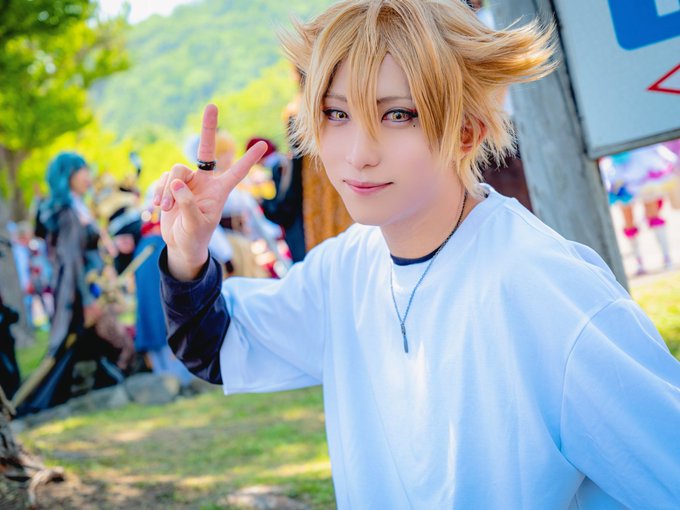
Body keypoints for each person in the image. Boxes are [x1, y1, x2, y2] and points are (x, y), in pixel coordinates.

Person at [154, 1, 680, 508]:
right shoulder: (345, 268)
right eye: (337, 113)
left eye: (398, 115)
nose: (359, 153)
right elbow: (217, 345)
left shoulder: (545, 289)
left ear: (467, 131)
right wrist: (189, 253)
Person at [599, 143, 677, 274]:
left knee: (652, 213)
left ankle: (666, 256)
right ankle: (639, 262)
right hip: (619, 166)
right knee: (628, 219)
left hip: (641, 160)